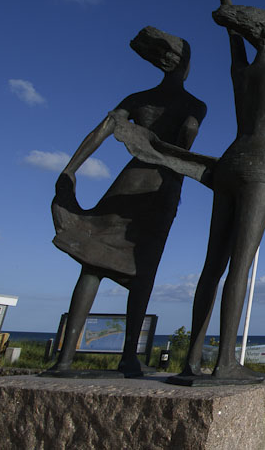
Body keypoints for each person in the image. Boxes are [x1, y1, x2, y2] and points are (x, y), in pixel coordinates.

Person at [48, 27, 206, 377]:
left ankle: (64, 360)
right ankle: (128, 356)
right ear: (186, 65)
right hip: (160, 187)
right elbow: (186, 143)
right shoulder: (195, 105)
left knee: (92, 264)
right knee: (142, 270)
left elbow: (103, 128)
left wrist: (70, 170)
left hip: (130, 180)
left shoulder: (138, 98)